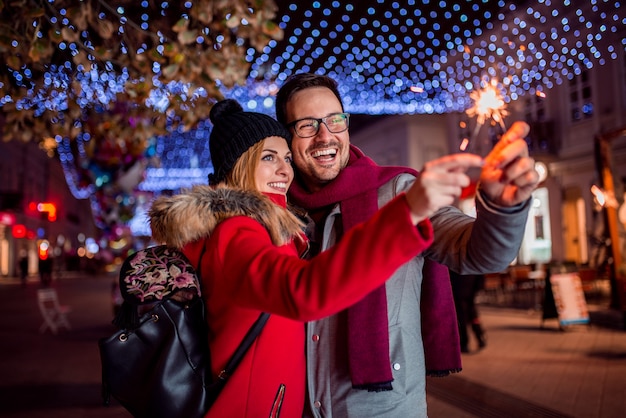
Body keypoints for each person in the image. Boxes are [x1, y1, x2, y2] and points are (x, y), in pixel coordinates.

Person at [147, 99, 483, 417]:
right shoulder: (237, 231)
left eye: (287, 158)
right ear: (239, 164)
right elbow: (303, 291)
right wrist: (404, 216)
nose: (284, 171)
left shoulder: (274, 230)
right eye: (268, 158)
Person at [275, 72, 540, 417]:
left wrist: (502, 207)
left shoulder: (401, 193)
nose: (325, 135)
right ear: (285, 137)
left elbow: (476, 252)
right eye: (307, 125)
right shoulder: (276, 213)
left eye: (334, 120)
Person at [450, 270, 486, 353]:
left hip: (459, 290)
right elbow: (480, 273)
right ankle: (480, 337)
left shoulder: (454, 259)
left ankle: (464, 343)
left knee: (462, 319)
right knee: (472, 315)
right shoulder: (473, 258)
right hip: (471, 289)